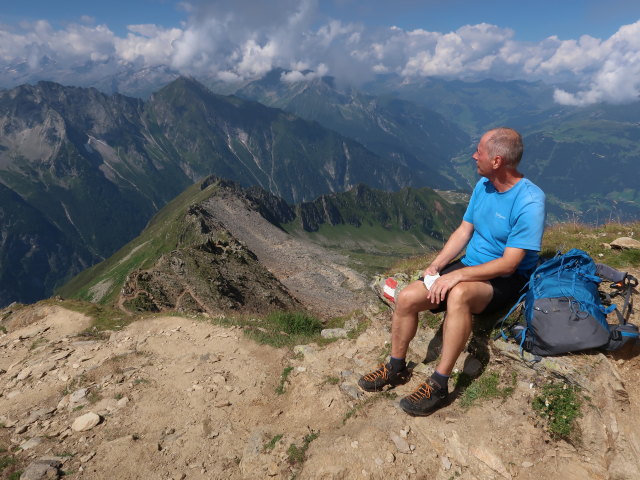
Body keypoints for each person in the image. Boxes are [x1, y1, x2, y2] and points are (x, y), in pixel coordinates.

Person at [358, 127, 545, 416]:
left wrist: (457, 275)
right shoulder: (484, 185)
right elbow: (464, 230)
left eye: (479, 151)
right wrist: (438, 265)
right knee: (407, 297)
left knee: (458, 294)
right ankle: (395, 366)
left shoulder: (529, 201)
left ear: (497, 160)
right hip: (470, 266)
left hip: (506, 279)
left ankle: (439, 383)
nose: (474, 155)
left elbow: (510, 263)